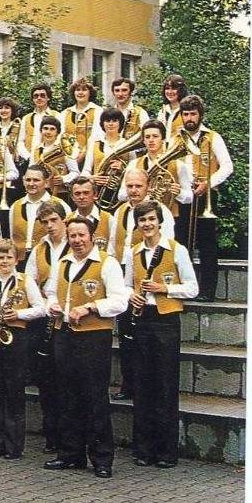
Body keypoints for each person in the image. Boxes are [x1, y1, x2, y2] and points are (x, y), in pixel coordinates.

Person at [43, 216, 129, 478]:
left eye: (82, 235)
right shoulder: (63, 263)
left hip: (93, 337)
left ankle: (102, 458)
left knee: (94, 397)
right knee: (67, 395)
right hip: (64, 334)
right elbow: (50, 293)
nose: (77, 240)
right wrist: (53, 306)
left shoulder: (107, 263)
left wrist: (91, 307)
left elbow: (120, 301)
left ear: (92, 236)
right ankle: (71, 454)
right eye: (72, 236)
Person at [123, 200, 199, 468]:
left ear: (160, 221)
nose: (147, 224)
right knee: (143, 385)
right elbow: (125, 287)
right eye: (142, 220)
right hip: (143, 320)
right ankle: (143, 449)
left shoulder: (176, 250)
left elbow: (193, 288)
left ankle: (166, 452)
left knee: (165, 385)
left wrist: (163, 289)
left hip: (167, 320)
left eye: (151, 219)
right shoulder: (133, 252)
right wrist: (132, 296)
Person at [0, 239, 45, 459]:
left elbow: (41, 309)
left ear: (16, 259)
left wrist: (19, 315)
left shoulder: (26, 280)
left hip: (16, 338)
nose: (4, 261)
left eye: (9, 257)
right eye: (0, 257)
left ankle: (14, 446)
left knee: (13, 392)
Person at [109, 168, 176, 402]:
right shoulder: (118, 212)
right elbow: (111, 246)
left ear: (148, 186)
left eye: (138, 186)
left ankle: (146, 386)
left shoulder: (160, 211)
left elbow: (165, 247)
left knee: (143, 339)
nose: (134, 190)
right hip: (122, 277)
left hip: (148, 278)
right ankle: (129, 384)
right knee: (126, 334)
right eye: (130, 186)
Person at [24, 201, 70, 453]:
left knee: (65, 380)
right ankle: (51, 434)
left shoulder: (74, 245)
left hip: (68, 318)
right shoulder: (39, 249)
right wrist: (42, 304)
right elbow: (29, 279)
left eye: (54, 220)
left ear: (64, 220)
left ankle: (67, 435)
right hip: (44, 318)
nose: (49, 226)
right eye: (45, 222)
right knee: (46, 381)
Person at [178, 95, 233, 302]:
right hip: (183, 197)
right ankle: (186, 287)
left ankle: (208, 290)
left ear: (200, 115)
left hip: (207, 195)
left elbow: (227, 166)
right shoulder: (176, 138)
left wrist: (207, 183)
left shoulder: (213, 137)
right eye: (185, 114)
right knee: (182, 242)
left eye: (193, 114)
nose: (189, 118)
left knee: (207, 244)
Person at [118, 120, 192, 221]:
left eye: (155, 136)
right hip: (140, 218)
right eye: (147, 137)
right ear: (143, 140)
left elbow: (190, 197)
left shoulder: (178, 165)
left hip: (170, 218)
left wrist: (179, 193)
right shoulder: (133, 164)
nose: (151, 140)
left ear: (163, 139)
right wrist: (140, 192)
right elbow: (121, 195)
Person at [7, 164, 67, 264]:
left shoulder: (60, 205)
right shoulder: (15, 206)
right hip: (19, 261)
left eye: (36, 180)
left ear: (46, 182)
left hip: (48, 259)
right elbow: (12, 237)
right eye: (28, 180)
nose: (31, 183)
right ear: (23, 181)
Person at [28, 116, 79, 199]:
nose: (48, 132)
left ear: (57, 133)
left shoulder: (65, 149)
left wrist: (63, 179)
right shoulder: (36, 150)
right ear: (41, 131)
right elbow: (30, 171)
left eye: (52, 129)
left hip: (60, 192)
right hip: (39, 191)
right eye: (45, 128)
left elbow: (75, 173)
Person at [82, 107, 135, 186]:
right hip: (97, 188)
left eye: (114, 121)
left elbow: (135, 170)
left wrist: (123, 168)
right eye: (107, 121)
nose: (111, 124)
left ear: (120, 123)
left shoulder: (127, 144)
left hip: (121, 188)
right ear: (102, 123)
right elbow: (85, 170)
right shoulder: (95, 143)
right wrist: (91, 178)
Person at [62, 78, 104, 167]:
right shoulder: (65, 113)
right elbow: (61, 136)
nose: (80, 93)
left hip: (90, 158)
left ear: (90, 93)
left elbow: (96, 136)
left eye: (84, 90)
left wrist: (82, 155)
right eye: (77, 90)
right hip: (68, 159)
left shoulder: (98, 111)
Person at [67, 176, 114, 252]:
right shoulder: (66, 221)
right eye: (77, 194)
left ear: (95, 195)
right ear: (72, 197)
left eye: (86, 193)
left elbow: (113, 251)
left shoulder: (109, 220)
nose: (81, 197)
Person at [17, 83, 60, 162]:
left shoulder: (57, 116)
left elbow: (60, 139)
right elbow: (20, 141)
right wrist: (28, 157)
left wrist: (48, 155)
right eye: (36, 96)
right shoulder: (26, 118)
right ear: (33, 99)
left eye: (42, 95)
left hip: (50, 159)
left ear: (48, 98)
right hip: (29, 161)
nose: (39, 98)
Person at [156, 74, 188, 142]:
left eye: (173, 88)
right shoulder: (162, 111)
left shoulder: (187, 111)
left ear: (181, 90)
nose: (170, 92)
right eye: (167, 88)